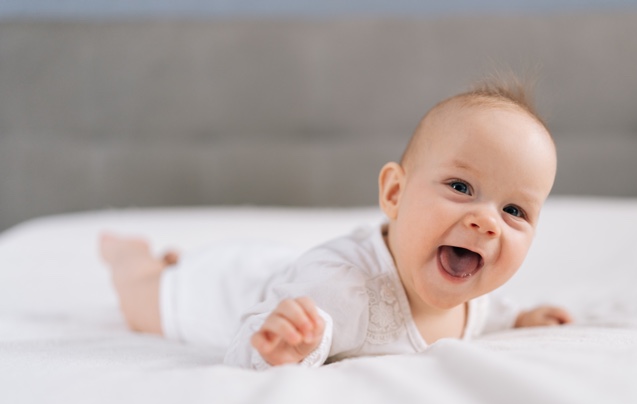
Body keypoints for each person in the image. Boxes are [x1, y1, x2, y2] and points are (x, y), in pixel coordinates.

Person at [100, 77, 573, 370]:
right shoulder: (341, 293)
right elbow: (249, 344)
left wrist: (521, 318)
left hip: (283, 269)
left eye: (515, 211)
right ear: (394, 193)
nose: (487, 222)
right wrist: (279, 348)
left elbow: (487, 309)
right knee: (141, 296)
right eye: (461, 187)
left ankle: (172, 259)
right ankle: (131, 255)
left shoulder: (472, 285)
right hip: (226, 289)